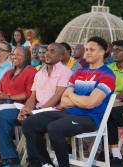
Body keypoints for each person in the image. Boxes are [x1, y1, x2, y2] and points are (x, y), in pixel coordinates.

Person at [22, 36, 116, 167]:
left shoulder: (107, 75)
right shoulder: (79, 73)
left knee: (54, 128)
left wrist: (74, 97)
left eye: (92, 50)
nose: (87, 52)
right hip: (69, 113)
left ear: (102, 52)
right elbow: (64, 101)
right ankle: (47, 164)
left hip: (89, 118)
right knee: (28, 123)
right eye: (87, 49)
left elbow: (89, 104)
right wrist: (82, 100)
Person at [0, 42, 72, 167]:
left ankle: (34, 161)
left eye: (52, 51)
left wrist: (35, 111)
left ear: (60, 57)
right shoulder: (40, 73)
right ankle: (10, 157)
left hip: (54, 112)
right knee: (3, 115)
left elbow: (57, 97)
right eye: (47, 50)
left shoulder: (65, 72)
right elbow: (33, 96)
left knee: (31, 120)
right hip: (37, 109)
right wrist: (26, 109)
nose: (47, 53)